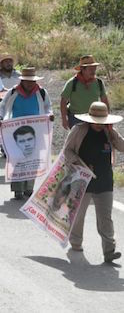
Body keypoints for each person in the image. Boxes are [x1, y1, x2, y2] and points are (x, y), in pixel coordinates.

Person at [64, 102, 124, 263]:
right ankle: (76, 243)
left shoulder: (108, 131)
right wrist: (79, 164)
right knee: (78, 215)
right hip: (83, 180)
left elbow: (122, 147)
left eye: (102, 120)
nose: (99, 124)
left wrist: (113, 135)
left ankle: (109, 250)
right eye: (96, 120)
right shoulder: (79, 130)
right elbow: (67, 151)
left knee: (105, 217)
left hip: (105, 181)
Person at [0, 67, 53, 199]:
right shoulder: (13, 92)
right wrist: (0, 118)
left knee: (33, 159)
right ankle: (18, 189)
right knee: (18, 159)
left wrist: (50, 115)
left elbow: (48, 107)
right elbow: (2, 106)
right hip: (17, 131)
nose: (29, 84)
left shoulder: (42, 92)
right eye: (27, 81)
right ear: (22, 81)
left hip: (36, 131)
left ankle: (29, 188)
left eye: (31, 81)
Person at [60, 55, 109, 130]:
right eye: (90, 68)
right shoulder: (72, 83)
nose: (93, 71)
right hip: (76, 118)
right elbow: (63, 101)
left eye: (94, 68)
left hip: (94, 118)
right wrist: (64, 119)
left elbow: (104, 100)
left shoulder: (98, 82)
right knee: (77, 141)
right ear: (83, 69)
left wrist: (107, 118)